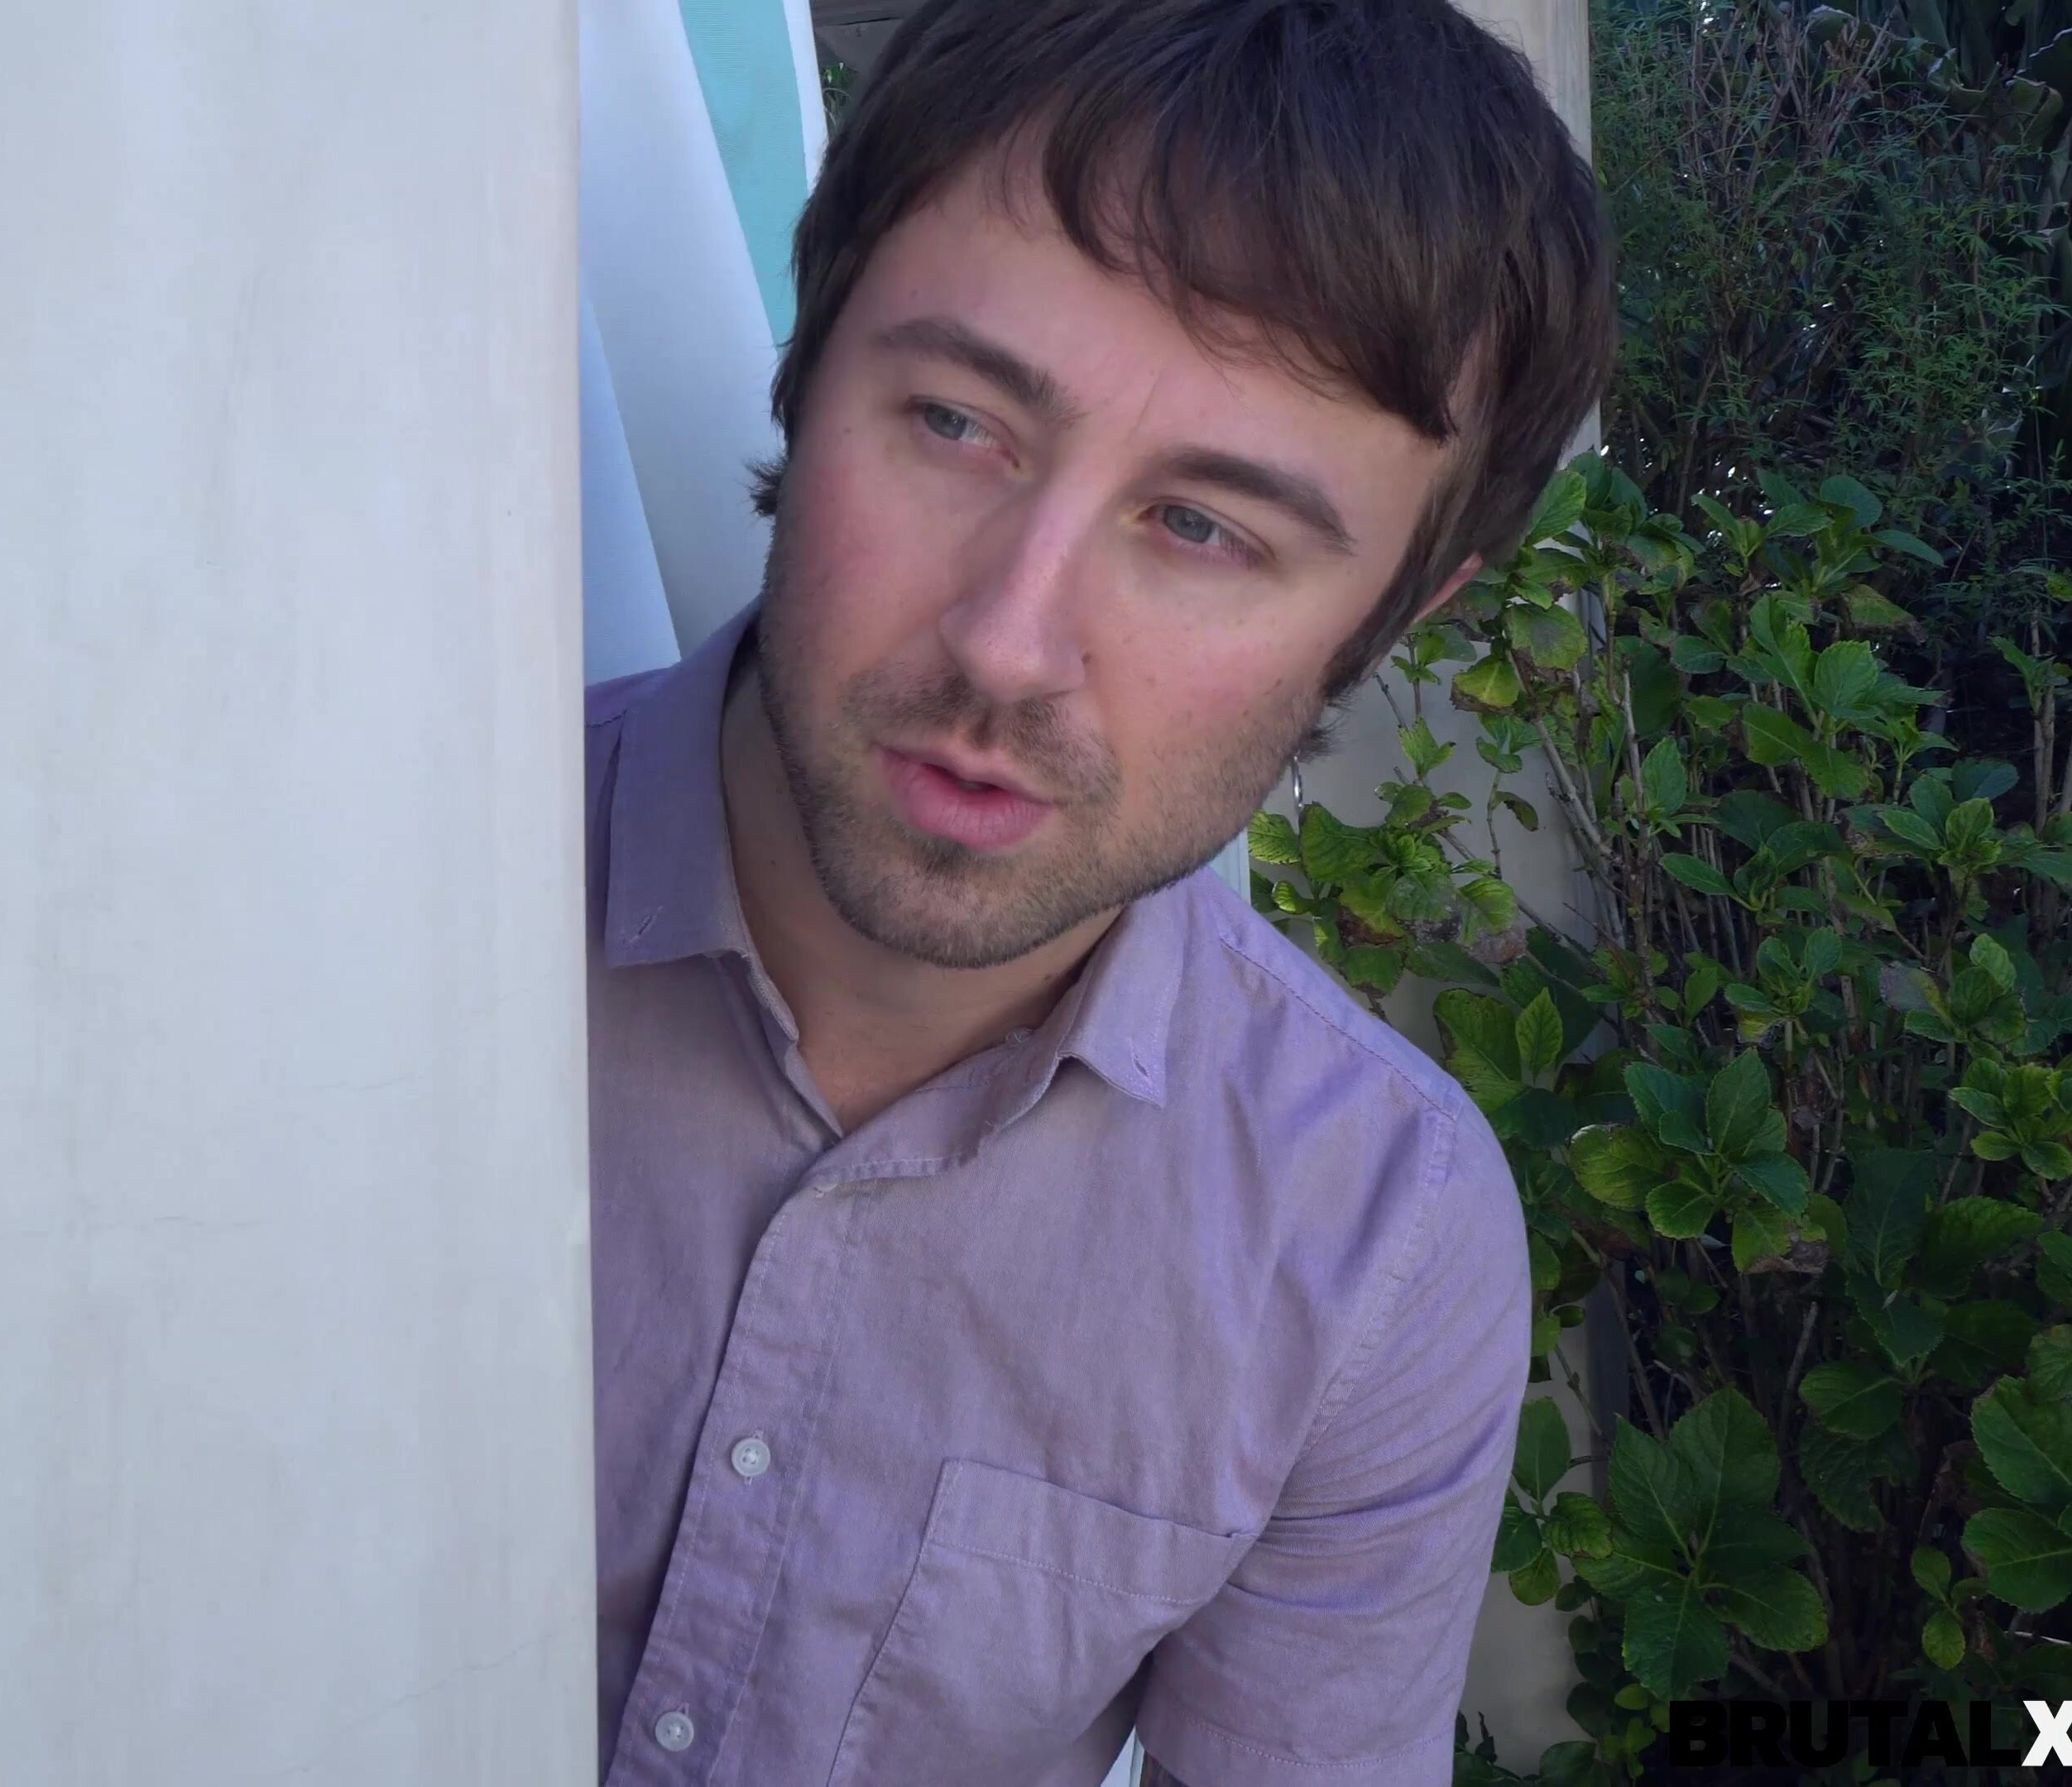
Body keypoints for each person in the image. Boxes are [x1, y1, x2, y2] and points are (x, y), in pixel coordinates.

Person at [582, 1, 1616, 1782]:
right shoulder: (338, 912)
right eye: (958, 422)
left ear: (1389, 619)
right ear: (807, 364)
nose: (1007, 643)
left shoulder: (1371, 1246)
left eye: (1204, 528)